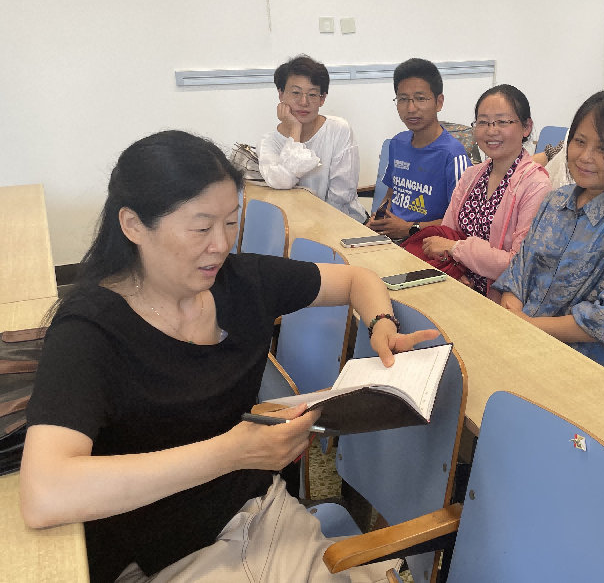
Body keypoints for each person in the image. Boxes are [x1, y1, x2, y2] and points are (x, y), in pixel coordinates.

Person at [19, 131, 437, 583]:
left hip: (262, 514)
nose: (220, 244)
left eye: (231, 222)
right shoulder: (89, 331)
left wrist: (381, 324)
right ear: (133, 225)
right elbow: (44, 494)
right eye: (201, 228)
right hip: (164, 553)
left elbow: (358, 279)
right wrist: (232, 453)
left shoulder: (242, 282)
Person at [493, 91, 604, 377]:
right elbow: (519, 274)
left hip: (584, 367)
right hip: (521, 339)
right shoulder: (555, 200)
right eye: (580, 141)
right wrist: (514, 319)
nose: (585, 157)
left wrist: (527, 326)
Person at [421, 85, 551, 298]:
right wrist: (455, 272)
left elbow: (519, 265)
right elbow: (444, 236)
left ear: (526, 127)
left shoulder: (536, 185)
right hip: (456, 287)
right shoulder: (471, 176)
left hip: (500, 300)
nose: (491, 131)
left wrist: (456, 249)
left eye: (502, 122)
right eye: (483, 122)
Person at [367, 58, 470, 240]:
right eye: (403, 99)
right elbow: (391, 194)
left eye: (420, 99)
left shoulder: (453, 156)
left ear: (439, 102)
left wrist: (410, 229)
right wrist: (378, 219)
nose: (411, 108)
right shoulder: (397, 143)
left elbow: (462, 222)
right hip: (390, 238)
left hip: (427, 243)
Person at [258, 54, 367, 222]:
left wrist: (317, 228)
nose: (304, 102)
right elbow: (282, 182)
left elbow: (341, 196)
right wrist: (295, 129)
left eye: (312, 94)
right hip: (293, 226)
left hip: (343, 223)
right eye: (296, 92)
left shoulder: (339, 130)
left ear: (322, 98)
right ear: (281, 94)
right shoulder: (268, 142)